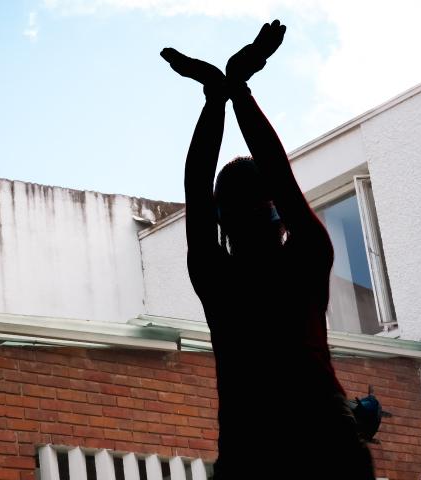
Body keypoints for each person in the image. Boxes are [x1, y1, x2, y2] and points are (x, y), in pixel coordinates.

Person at [161, 20, 375, 479]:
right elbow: (279, 175)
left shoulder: (216, 277)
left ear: (222, 219)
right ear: (276, 212)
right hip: (325, 439)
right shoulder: (308, 256)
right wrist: (239, 90)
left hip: (250, 446)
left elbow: (195, 186)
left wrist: (216, 98)